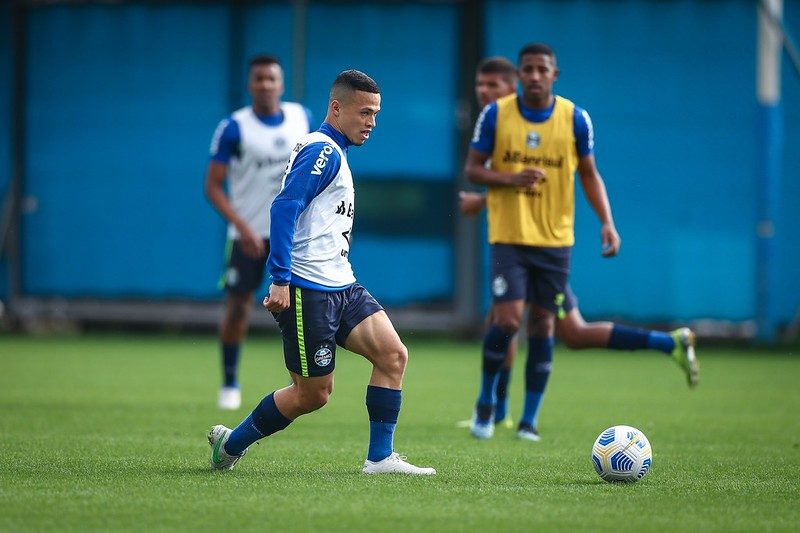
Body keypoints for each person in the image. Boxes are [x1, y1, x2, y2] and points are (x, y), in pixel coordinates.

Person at [465, 43, 699, 442]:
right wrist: (508, 180)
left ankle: (527, 420)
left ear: (554, 74)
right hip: (509, 238)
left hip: (555, 242)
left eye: (542, 69)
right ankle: (488, 405)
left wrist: (607, 222)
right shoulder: (495, 117)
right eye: (529, 69)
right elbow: (474, 169)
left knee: (552, 326)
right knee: (506, 320)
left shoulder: (574, 119)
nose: (535, 76)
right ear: (520, 76)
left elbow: (589, 174)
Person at [207, 69, 436, 475]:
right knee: (312, 395)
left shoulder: (336, 152)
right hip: (308, 290)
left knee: (393, 355)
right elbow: (283, 207)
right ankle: (232, 442)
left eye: (376, 114)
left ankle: (380, 459)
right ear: (336, 107)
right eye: (365, 112)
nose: (372, 122)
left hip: (342, 284)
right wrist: (279, 278)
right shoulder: (323, 151)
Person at [205, 55, 313, 410]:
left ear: (281, 84)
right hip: (248, 237)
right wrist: (242, 226)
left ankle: (297, 381)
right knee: (238, 308)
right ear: (250, 84)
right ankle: (230, 381)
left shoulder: (302, 118)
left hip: (293, 236)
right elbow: (213, 186)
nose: (266, 84)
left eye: (272, 78)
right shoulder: (234, 127)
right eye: (259, 79)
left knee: (300, 308)